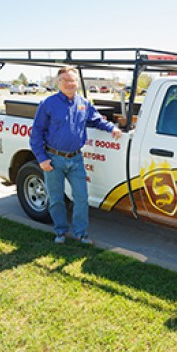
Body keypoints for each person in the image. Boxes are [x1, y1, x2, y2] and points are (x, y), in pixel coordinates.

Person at [30, 66, 122, 244]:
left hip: (76, 159)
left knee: (81, 197)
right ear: (58, 82)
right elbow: (36, 134)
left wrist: (112, 127)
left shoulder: (83, 103)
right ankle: (60, 232)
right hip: (53, 159)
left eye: (72, 80)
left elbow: (95, 119)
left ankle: (81, 233)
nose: (69, 84)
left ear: (77, 83)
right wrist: (42, 159)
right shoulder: (48, 104)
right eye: (65, 80)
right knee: (56, 198)